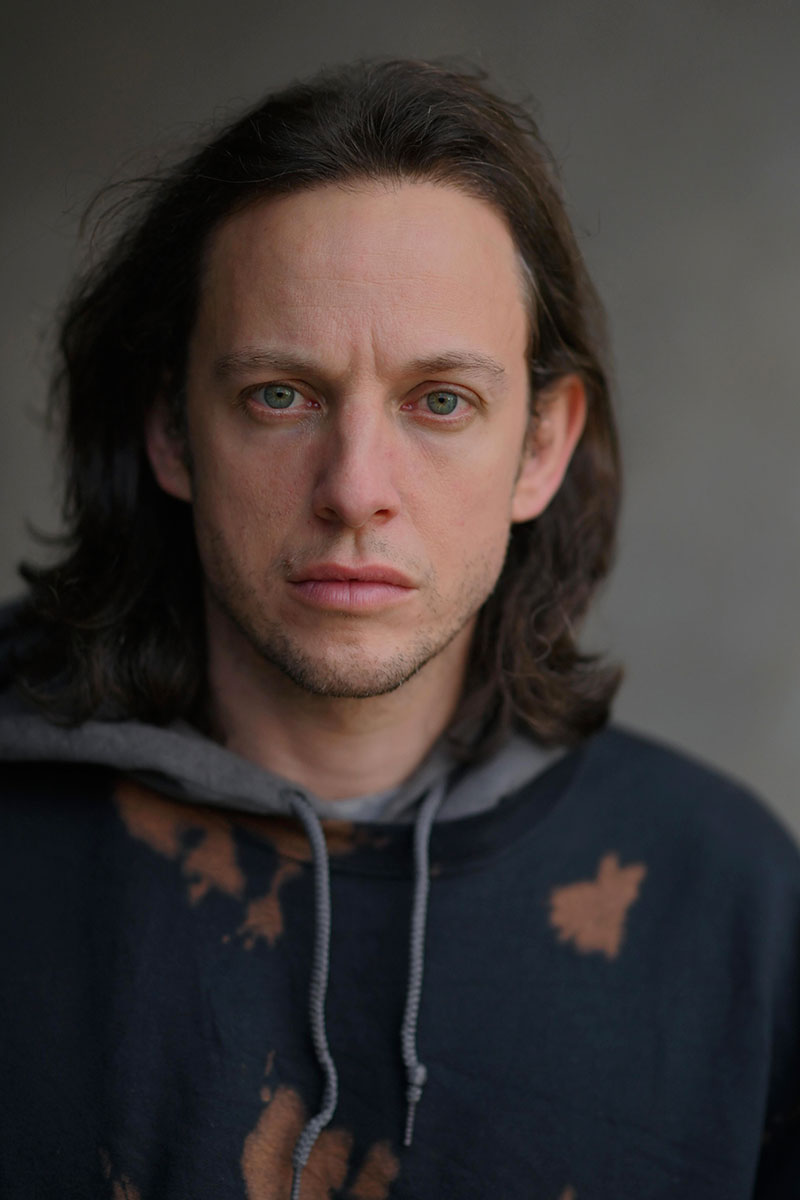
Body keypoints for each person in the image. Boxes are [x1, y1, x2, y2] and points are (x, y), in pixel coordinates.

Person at [0, 58, 797, 1200]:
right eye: (280, 394)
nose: (355, 490)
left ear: (541, 445)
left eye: (440, 402)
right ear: (170, 430)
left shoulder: (731, 907)